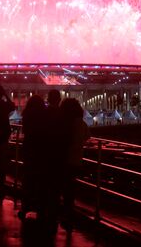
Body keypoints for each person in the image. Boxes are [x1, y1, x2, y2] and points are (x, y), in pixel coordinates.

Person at [59, 98, 90, 230]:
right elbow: (87, 136)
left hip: (62, 159)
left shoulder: (62, 122)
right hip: (76, 160)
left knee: (59, 186)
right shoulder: (81, 124)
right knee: (70, 189)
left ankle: (59, 214)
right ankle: (68, 215)